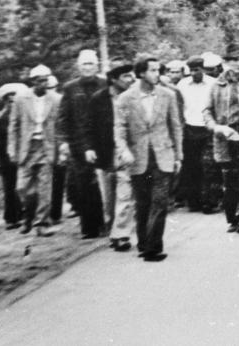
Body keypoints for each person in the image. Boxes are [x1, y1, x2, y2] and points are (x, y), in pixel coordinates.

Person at [115, 56, 183, 261]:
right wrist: (123, 149)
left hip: (163, 154)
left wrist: (179, 155)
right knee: (143, 203)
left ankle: (153, 248)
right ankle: (143, 244)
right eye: (152, 70)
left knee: (160, 202)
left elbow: (176, 126)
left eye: (157, 70)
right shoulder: (126, 98)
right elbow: (119, 129)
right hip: (138, 157)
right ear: (141, 73)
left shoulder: (168, 95)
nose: (157, 74)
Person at [203, 47, 239, 235]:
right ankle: (232, 218)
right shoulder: (216, 84)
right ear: (225, 62)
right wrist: (216, 127)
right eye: (231, 60)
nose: (235, 63)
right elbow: (207, 111)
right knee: (230, 179)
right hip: (225, 137)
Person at [85, 59, 136, 251]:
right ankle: (113, 230)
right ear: (113, 79)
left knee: (125, 194)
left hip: (126, 151)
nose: (130, 79)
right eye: (125, 76)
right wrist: (89, 148)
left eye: (131, 75)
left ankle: (121, 234)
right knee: (108, 198)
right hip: (105, 153)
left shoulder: (133, 96)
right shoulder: (99, 98)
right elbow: (88, 126)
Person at [58, 49, 107, 239]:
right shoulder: (70, 88)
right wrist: (63, 142)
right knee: (84, 186)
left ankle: (108, 223)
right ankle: (89, 228)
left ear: (97, 65)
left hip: (103, 142)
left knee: (105, 184)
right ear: (79, 66)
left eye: (91, 63)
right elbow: (63, 117)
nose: (88, 67)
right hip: (79, 144)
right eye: (84, 64)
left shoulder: (105, 83)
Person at [8, 65, 61, 236]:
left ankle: (41, 223)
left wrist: (61, 149)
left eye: (46, 80)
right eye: (40, 81)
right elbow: (14, 125)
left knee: (45, 188)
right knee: (23, 188)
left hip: (46, 147)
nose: (43, 84)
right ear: (32, 82)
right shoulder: (21, 99)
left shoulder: (55, 99)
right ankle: (28, 217)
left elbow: (60, 126)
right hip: (26, 148)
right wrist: (12, 148)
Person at [177, 55, 214, 212]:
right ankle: (193, 201)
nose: (193, 73)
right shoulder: (182, 84)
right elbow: (178, 106)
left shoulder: (212, 84)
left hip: (208, 128)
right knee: (191, 166)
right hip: (190, 128)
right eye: (191, 70)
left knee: (208, 166)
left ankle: (208, 201)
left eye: (196, 70)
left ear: (203, 69)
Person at [0, 83, 26, 229]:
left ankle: (21, 212)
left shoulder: (22, 117)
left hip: (21, 155)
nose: (11, 100)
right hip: (6, 159)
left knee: (22, 185)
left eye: (14, 97)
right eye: (9, 98)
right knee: (10, 186)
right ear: (5, 100)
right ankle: (11, 218)